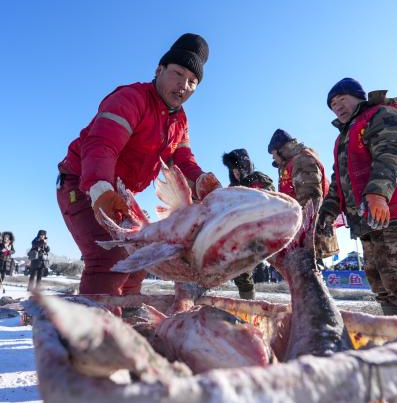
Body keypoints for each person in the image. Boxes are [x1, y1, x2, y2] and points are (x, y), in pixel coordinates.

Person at [56, 33, 221, 297]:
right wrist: (100, 188)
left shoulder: (179, 121)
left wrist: (201, 180)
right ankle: (94, 332)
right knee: (110, 258)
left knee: (140, 258)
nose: (184, 85)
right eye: (178, 73)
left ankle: (129, 321)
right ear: (159, 70)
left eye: (192, 81)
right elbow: (102, 145)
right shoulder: (131, 98)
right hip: (83, 183)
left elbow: (182, 160)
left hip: (121, 196)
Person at [317, 78, 397, 322]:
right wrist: (325, 215)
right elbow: (338, 182)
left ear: (359, 96)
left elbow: (392, 150)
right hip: (366, 219)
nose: (337, 107)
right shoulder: (343, 138)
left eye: (342, 99)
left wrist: (379, 192)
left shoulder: (381, 113)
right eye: (332, 105)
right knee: (381, 284)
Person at [268, 129, 339, 268]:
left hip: (307, 232)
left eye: (273, 154)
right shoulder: (290, 163)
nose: (273, 159)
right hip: (299, 230)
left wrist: (302, 233)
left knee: (308, 273)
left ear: (280, 150)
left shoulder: (302, 160)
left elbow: (310, 200)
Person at [221, 148, 274, 299]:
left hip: (265, 231)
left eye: (238, 168)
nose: (236, 172)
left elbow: (272, 201)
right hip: (240, 236)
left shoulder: (259, 179)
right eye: (233, 170)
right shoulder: (232, 188)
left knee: (281, 263)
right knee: (240, 271)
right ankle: (248, 300)